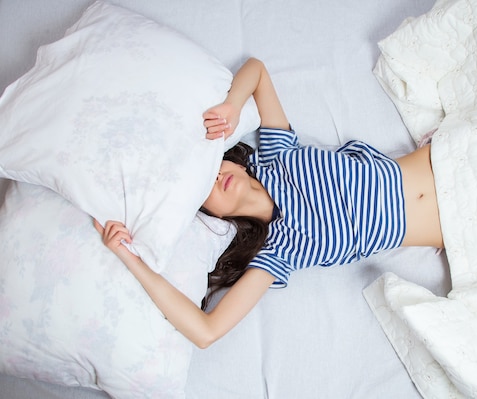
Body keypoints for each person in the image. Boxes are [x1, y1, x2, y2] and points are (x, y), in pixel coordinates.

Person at [94, 57, 443, 349]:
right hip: (456, 219)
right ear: (213, 215)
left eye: (214, 165)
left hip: (445, 158)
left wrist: (232, 106)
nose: (216, 177)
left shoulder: (277, 155)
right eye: (205, 188)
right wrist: (129, 256)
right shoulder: (276, 251)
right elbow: (206, 332)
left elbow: (257, 71)